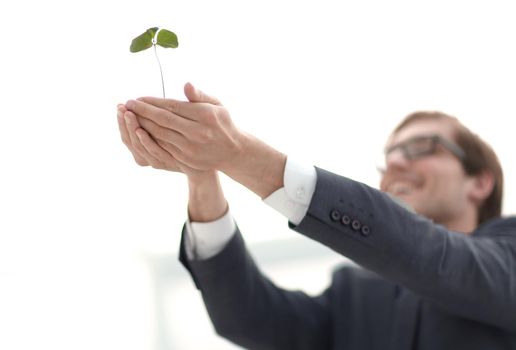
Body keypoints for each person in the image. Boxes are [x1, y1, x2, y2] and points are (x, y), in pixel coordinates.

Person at [116, 83, 516, 349]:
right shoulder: (352, 295)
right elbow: (249, 317)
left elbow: (428, 255)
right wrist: (201, 174)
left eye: (421, 147)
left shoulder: (508, 258)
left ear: (479, 182)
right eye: (389, 156)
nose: (395, 163)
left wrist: (239, 152)